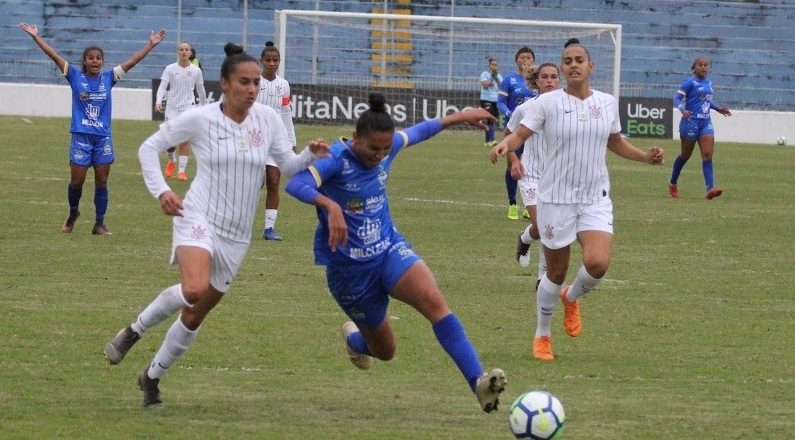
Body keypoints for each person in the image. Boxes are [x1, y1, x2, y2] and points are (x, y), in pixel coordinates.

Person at [102, 52, 330, 408]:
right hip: (197, 216)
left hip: (237, 235)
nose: (252, 88)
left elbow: (287, 166)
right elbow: (149, 148)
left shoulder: (268, 119)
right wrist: (161, 191)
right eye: (244, 81)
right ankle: (134, 330)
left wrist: (310, 155)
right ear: (224, 83)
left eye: (256, 82)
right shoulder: (201, 118)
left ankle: (152, 377)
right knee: (193, 289)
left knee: (194, 315)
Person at [284, 94, 507, 413]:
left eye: (385, 149)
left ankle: (478, 383)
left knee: (434, 302)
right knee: (385, 351)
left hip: (388, 251)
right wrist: (330, 205)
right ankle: (354, 341)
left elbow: (421, 130)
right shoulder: (335, 158)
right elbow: (296, 184)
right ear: (356, 138)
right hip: (350, 275)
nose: (379, 156)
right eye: (373, 149)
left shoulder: (387, 149)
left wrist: (460, 116)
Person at [490, 41, 664, 362]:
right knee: (555, 272)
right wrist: (506, 147)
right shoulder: (547, 103)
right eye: (567, 60)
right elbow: (520, 134)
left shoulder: (606, 103)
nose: (573, 65)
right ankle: (542, 334)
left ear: (590, 66)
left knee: (597, 264)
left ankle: (571, 298)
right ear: (562, 67)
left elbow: (615, 142)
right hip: (555, 198)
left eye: (579, 60)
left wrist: (644, 157)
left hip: (594, 197)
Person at [19, 23, 166, 236]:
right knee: (76, 181)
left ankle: (99, 224)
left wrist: (150, 45)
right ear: (85, 62)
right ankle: (73, 213)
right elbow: (54, 56)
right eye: (91, 58)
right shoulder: (75, 76)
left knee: (102, 181)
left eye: (98, 58)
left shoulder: (109, 78)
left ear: (102, 61)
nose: (95, 61)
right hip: (81, 137)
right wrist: (36, 37)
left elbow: (132, 61)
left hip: (102, 138)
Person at [508, 63, 561, 292]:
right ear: (536, 81)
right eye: (545, 77)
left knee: (549, 229)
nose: (549, 81)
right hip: (530, 174)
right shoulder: (525, 109)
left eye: (554, 77)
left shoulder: (568, 109)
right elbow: (509, 135)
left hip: (557, 178)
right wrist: (514, 160)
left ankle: (542, 278)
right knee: (541, 225)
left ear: (559, 81)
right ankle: (525, 239)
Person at [668, 57, 732, 200]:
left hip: (705, 122)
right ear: (694, 67)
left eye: (706, 65)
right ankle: (673, 182)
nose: (703, 67)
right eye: (700, 65)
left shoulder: (709, 83)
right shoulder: (689, 82)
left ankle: (710, 189)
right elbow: (676, 99)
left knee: (707, 154)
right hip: (690, 122)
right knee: (685, 155)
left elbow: (706, 101)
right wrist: (682, 109)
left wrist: (718, 109)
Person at [257, 41, 296, 241]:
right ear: (261, 61)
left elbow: (286, 112)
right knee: (253, 184)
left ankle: (269, 229)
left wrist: (291, 140)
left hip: (275, 140)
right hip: (254, 139)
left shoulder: (284, 85)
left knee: (274, 181)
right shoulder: (253, 82)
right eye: (268, 60)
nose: (272, 63)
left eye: (275, 60)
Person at [155, 42, 208, 181]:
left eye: (186, 50)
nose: (184, 52)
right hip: (172, 108)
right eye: (181, 50)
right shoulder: (170, 68)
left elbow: (201, 90)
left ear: (190, 53)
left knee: (185, 139)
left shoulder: (196, 70)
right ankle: (172, 160)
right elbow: (162, 86)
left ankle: (181, 171)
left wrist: (204, 107)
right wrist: (158, 101)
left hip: (188, 108)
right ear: (178, 52)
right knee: (170, 141)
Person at [497, 46, 537, 220]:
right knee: (512, 165)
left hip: (534, 129)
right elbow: (500, 102)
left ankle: (530, 204)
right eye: (522, 57)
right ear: (516, 60)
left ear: (533, 60)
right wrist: (510, 114)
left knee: (532, 166)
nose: (526, 60)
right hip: (514, 128)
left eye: (529, 57)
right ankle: (512, 203)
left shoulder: (538, 79)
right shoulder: (509, 80)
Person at [479, 57, 503, 148]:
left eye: (496, 65)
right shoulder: (484, 74)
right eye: (492, 65)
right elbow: (485, 85)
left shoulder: (498, 75)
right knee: (489, 119)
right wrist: (492, 78)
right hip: (486, 99)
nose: (494, 66)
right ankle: (492, 140)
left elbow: (501, 86)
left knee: (492, 120)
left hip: (495, 100)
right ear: (489, 66)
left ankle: (487, 141)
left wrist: (496, 77)